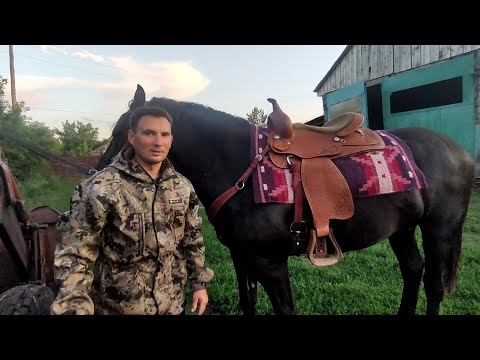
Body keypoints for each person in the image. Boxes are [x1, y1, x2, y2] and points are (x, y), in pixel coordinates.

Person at [51, 106, 214, 315]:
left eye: (164, 135)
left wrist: (199, 284)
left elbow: (192, 238)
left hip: (172, 306)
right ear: (131, 137)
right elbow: (74, 255)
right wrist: (75, 307)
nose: (158, 142)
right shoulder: (101, 188)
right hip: (118, 308)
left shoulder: (182, 187)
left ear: (171, 140)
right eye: (149, 133)